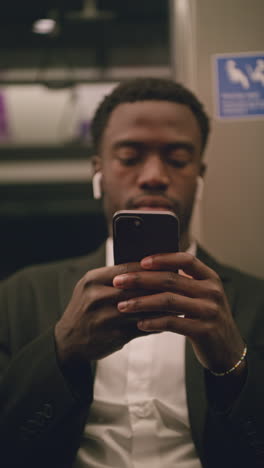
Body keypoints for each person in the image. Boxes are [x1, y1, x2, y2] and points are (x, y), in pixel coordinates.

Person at [0, 78, 263, 468]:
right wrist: (62, 350)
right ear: (99, 171)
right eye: (129, 156)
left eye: (177, 159)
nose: (154, 175)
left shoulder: (255, 300)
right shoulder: (20, 295)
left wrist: (232, 365)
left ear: (199, 174)